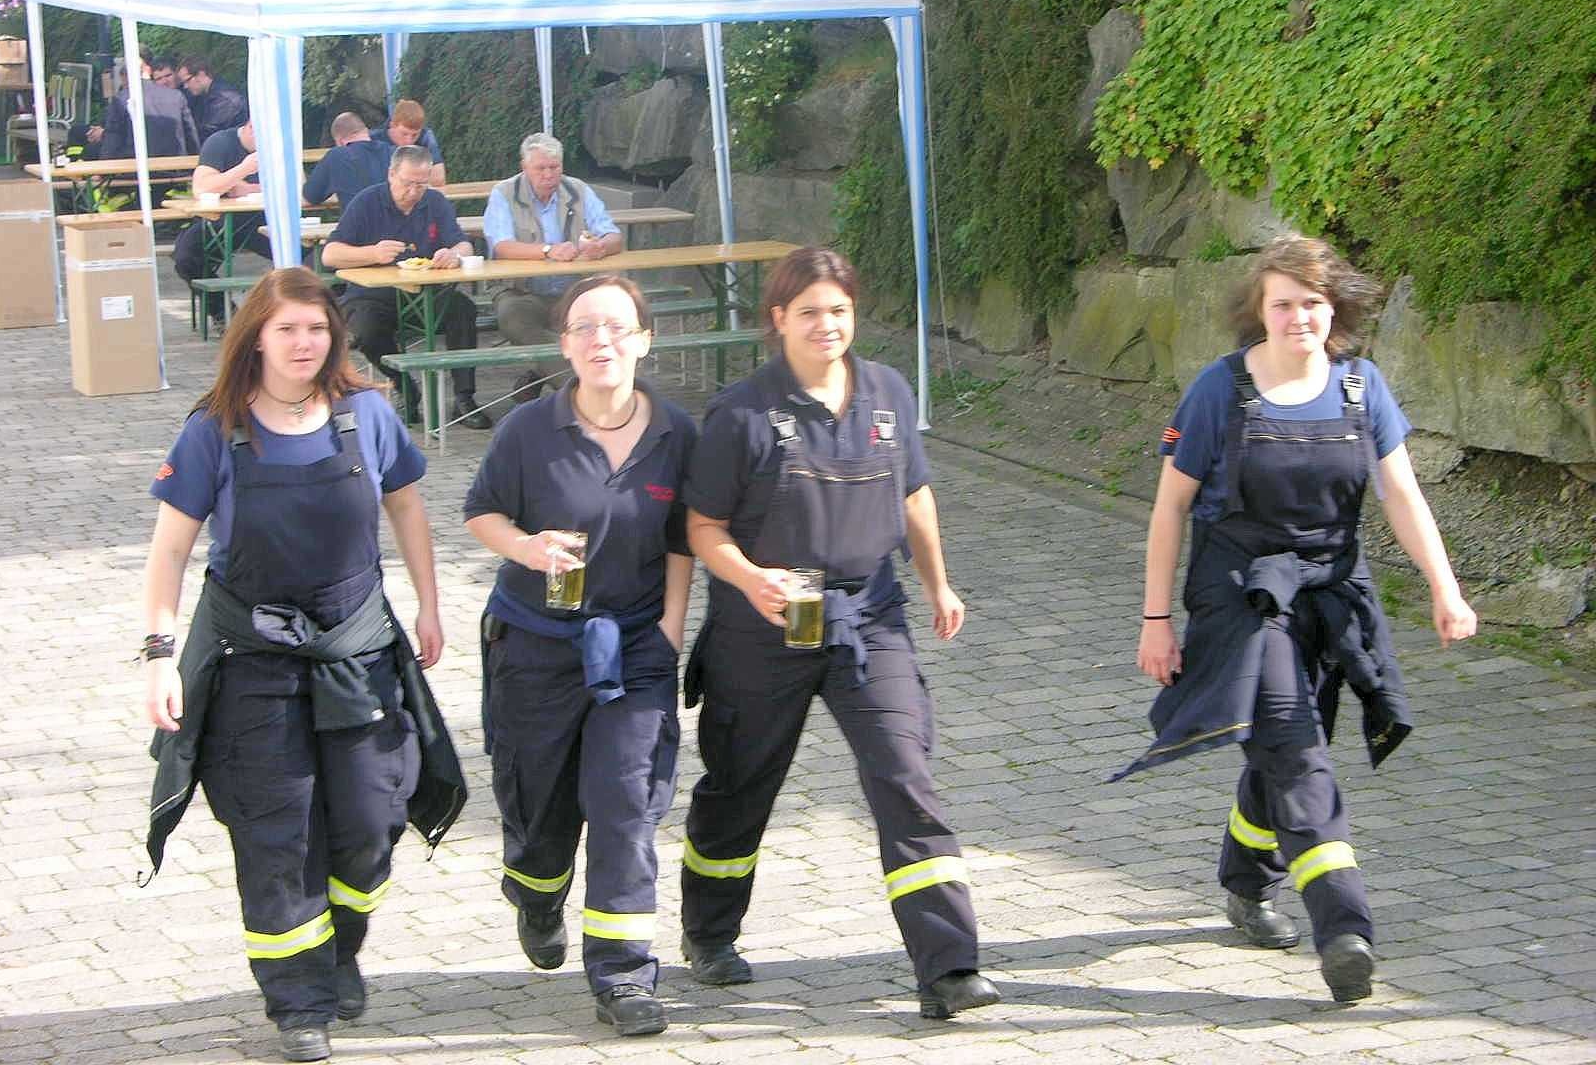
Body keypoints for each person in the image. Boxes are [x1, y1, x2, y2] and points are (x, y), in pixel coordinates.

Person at [1120, 235, 1477, 1003]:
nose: (1298, 317)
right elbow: (1170, 508)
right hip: (1240, 592)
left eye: (1312, 302)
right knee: (1295, 741)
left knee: (1282, 747)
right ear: (1258, 311)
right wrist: (1156, 619)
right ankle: (1344, 928)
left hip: (1330, 593)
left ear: (1333, 309)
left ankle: (1245, 883)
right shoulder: (1220, 390)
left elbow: (1402, 496)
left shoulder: (1361, 387)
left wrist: (1446, 590)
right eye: (1282, 303)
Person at [140, 267, 466, 1063]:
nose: (302, 342)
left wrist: (428, 602)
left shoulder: (368, 417)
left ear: (335, 337)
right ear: (255, 335)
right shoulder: (212, 431)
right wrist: (157, 655)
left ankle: (339, 948)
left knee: (369, 820)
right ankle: (298, 1001)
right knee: (276, 835)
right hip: (250, 663)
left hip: (356, 652)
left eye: (316, 329)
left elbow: (408, 509)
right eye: (286, 328)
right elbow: (170, 553)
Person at [678, 247, 1000, 1020]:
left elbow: (914, 494)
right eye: (810, 311)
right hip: (765, 623)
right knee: (740, 784)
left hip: (867, 616)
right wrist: (751, 577)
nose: (827, 325)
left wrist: (937, 581)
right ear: (778, 319)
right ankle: (709, 931)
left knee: (903, 771)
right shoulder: (741, 412)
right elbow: (702, 526)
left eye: (840, 311)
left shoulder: (886, 391)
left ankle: (949, 968)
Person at [464, 274, 696, 1037]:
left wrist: (669, 630)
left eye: (618, 327)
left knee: (627, 801)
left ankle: (623, 973)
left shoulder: (677, 434)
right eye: (586, 328)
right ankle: (535, 892)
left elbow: (680, 544)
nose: (603, 341)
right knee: (538, 805)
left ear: (645, 339)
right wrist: (526, 547)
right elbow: (481, 512)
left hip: (633, 645)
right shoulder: (530, 429)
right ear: (564, 344)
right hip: (534, 644)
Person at [321, 144, 493, 430]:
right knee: (364, 328)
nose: (413, 191)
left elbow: (462, 242)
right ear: (391, 174)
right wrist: (372, 254)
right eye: (407, 183)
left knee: (462, 310)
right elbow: (330, 254)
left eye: (421, 185)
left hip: (426, 291)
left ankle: (464, 397)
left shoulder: (435, 202)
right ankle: (404, 387)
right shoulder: (367, 202)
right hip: (372, 294)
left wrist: (455, 254)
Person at [484, 131, 623, 399]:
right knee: (514, 318)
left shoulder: (578, 190)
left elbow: (614, 235)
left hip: (574, 290)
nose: (548, 174)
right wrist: (548, 250)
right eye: (540, 168)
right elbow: (502, 246)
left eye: (554, 167)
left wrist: (601, 246)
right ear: (524, 168)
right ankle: (583, 390)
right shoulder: (503, 193)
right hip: (521, 291)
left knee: (619, 312)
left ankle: (542, 376)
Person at [174, 120, 264, 329]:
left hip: (264, 221)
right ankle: (224, 313)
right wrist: (243, 170)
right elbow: (203, 188)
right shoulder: (220, 142)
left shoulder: (281, 144)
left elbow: (299, 185)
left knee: (310, 255)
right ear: (251, 127)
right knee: (185, 257)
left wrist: (242, 187)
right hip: (221, 219)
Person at [96, 59, 201, 160]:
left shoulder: (121, 98)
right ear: (149, 71)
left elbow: (113, 138)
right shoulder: (177, 96)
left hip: (135, 169)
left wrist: (102, 172)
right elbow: (190, 134)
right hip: (176, 168)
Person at [303, 111, 396, 208]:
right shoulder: (394, 152)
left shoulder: (336, 156)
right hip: (395, 221)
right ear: (366, 131)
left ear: (339, 141)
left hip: (358, 221)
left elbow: (311, 196)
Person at [371, 99, 447, 186]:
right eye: (404, 134)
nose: (409, 141)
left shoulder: (425, 136)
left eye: (415, 135)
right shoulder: (373, 139)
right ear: (392, 125)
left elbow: (438, 179)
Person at [177, 54, 249, 143]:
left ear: (201, 74)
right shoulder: (204, 96)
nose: (185, 86)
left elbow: (208, 134)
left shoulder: (224, 100)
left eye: (187, 80)